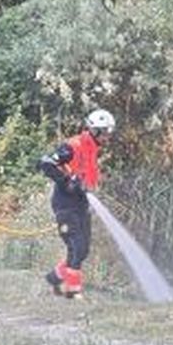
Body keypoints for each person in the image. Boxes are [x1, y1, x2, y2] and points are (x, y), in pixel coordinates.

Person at [37, 108, 114, 299]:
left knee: (83, 250)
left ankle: (54, 278)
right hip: (65, 204)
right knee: (76, 246)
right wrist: (67, 181)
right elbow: (46, 163)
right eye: (105, 132)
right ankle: (73, 292)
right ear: (95, 130)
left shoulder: (92, 149)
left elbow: (85, 177)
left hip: (81, 205)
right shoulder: (73, 145)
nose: (108, 137)